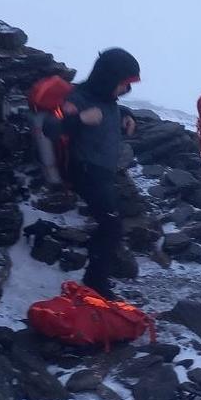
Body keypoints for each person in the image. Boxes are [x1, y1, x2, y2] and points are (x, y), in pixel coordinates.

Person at [43, 47, 140, 298]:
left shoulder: (107, 99)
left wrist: (127, 115)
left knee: (111, 224)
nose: (126, 90)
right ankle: (95, 283)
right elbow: (51, 127)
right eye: (123, 84)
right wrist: (81, 119)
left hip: (102, 171)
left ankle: (98, 277)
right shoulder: (79, 99)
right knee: (111, 226)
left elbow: (110, 108)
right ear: (108, 79)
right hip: (86, 171)